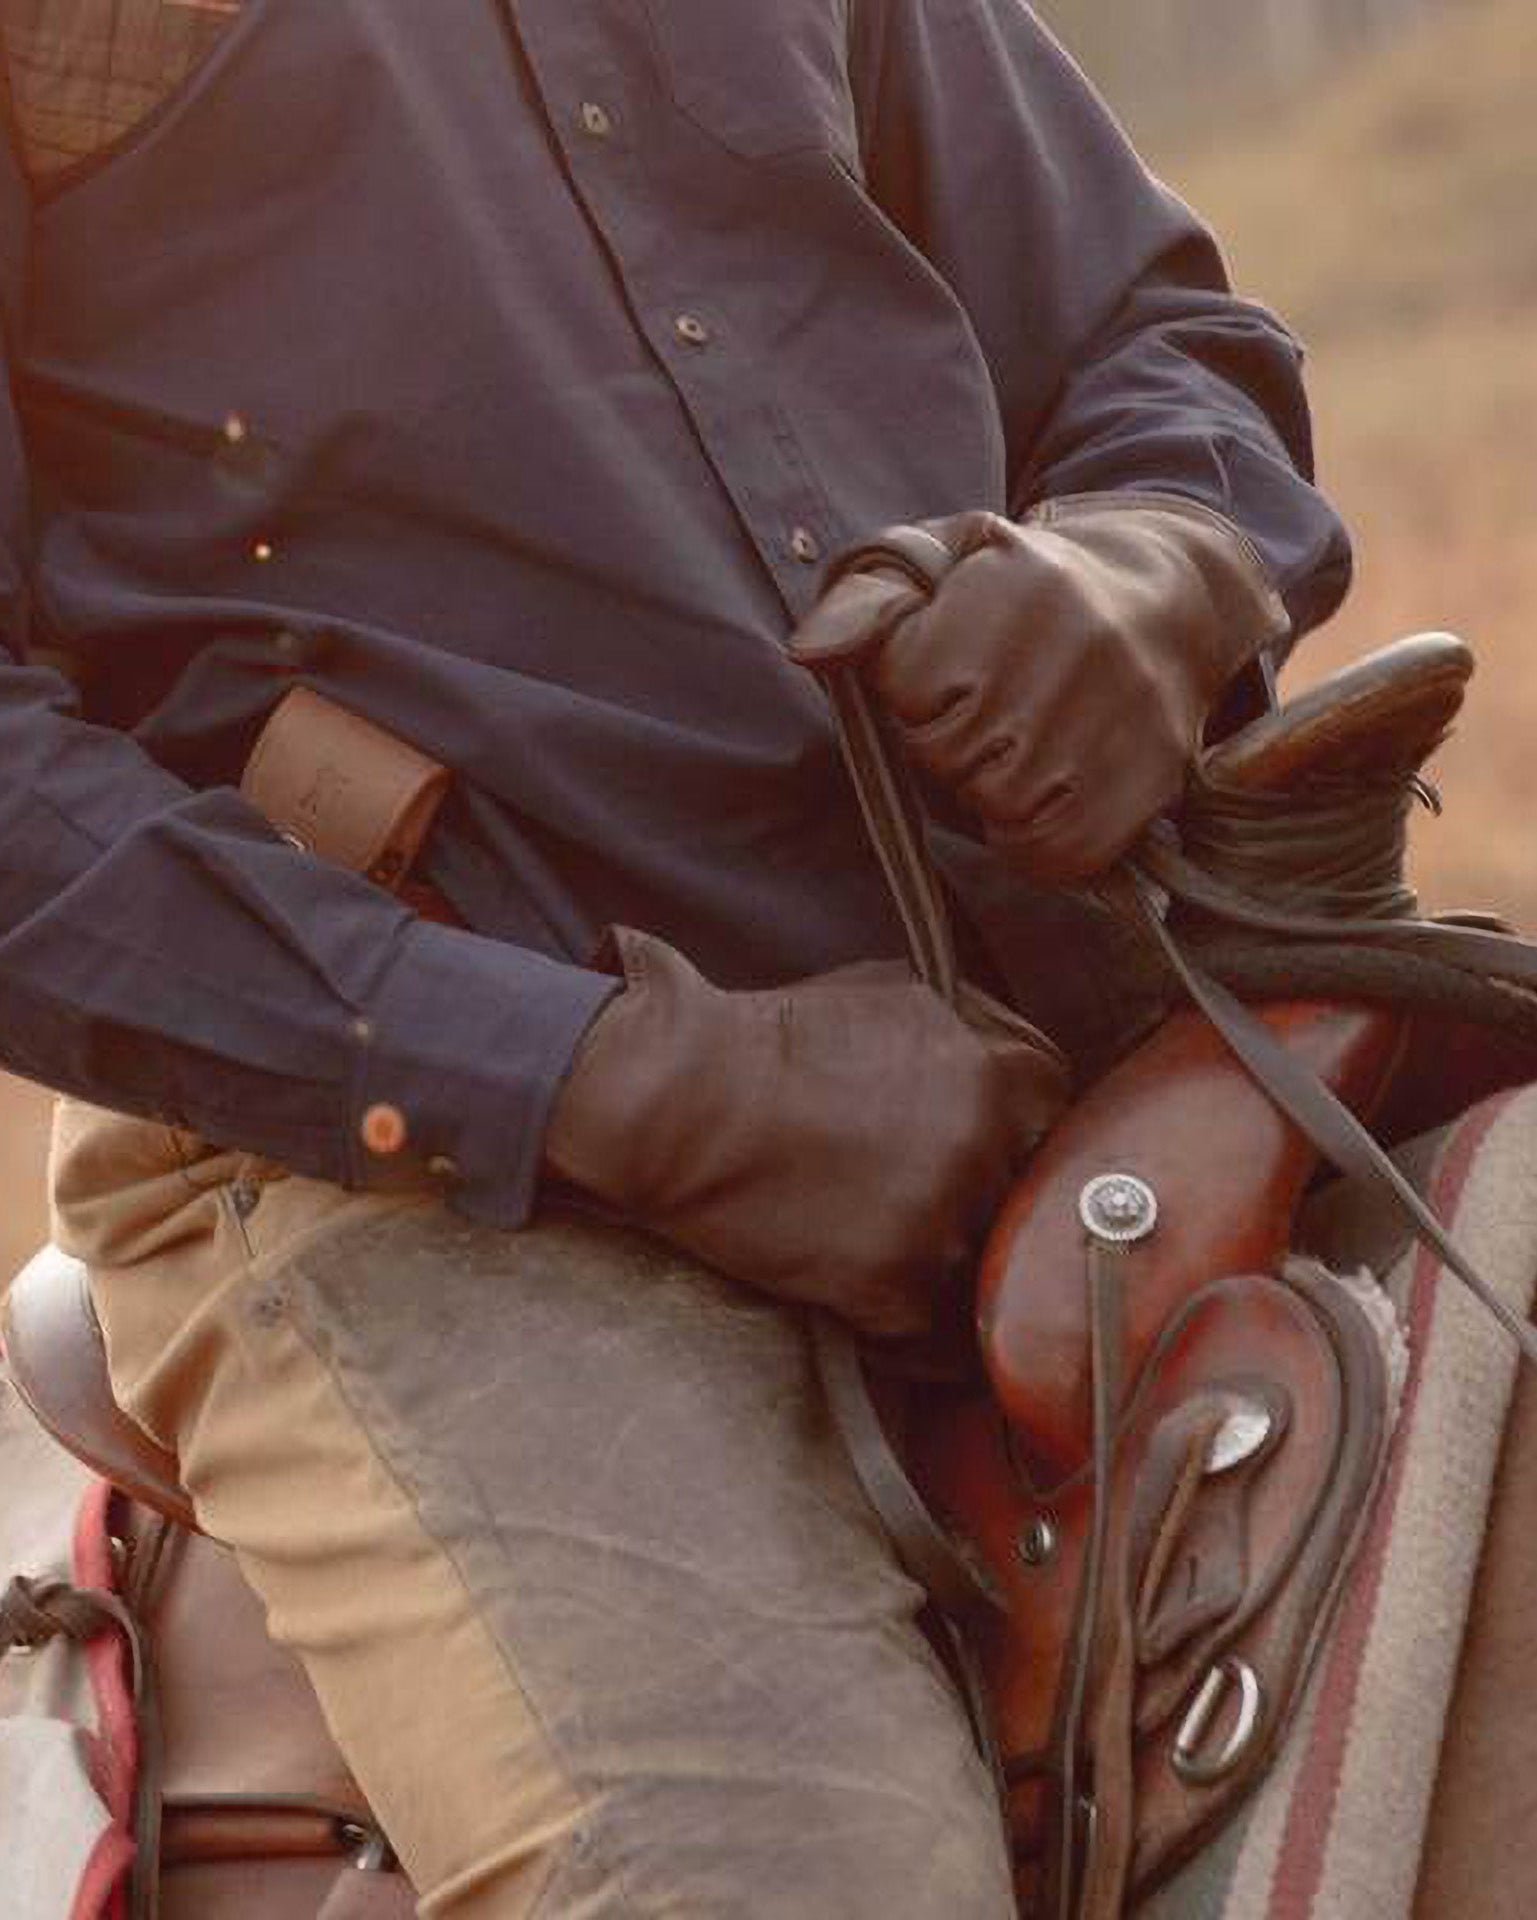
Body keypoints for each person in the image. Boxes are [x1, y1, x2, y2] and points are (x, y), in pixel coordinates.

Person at [0, 4, 1352, 1913]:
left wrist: (1160, 555)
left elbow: (1144, 323)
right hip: (398, 1163)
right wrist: (618, 1083)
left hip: (1111, 989)